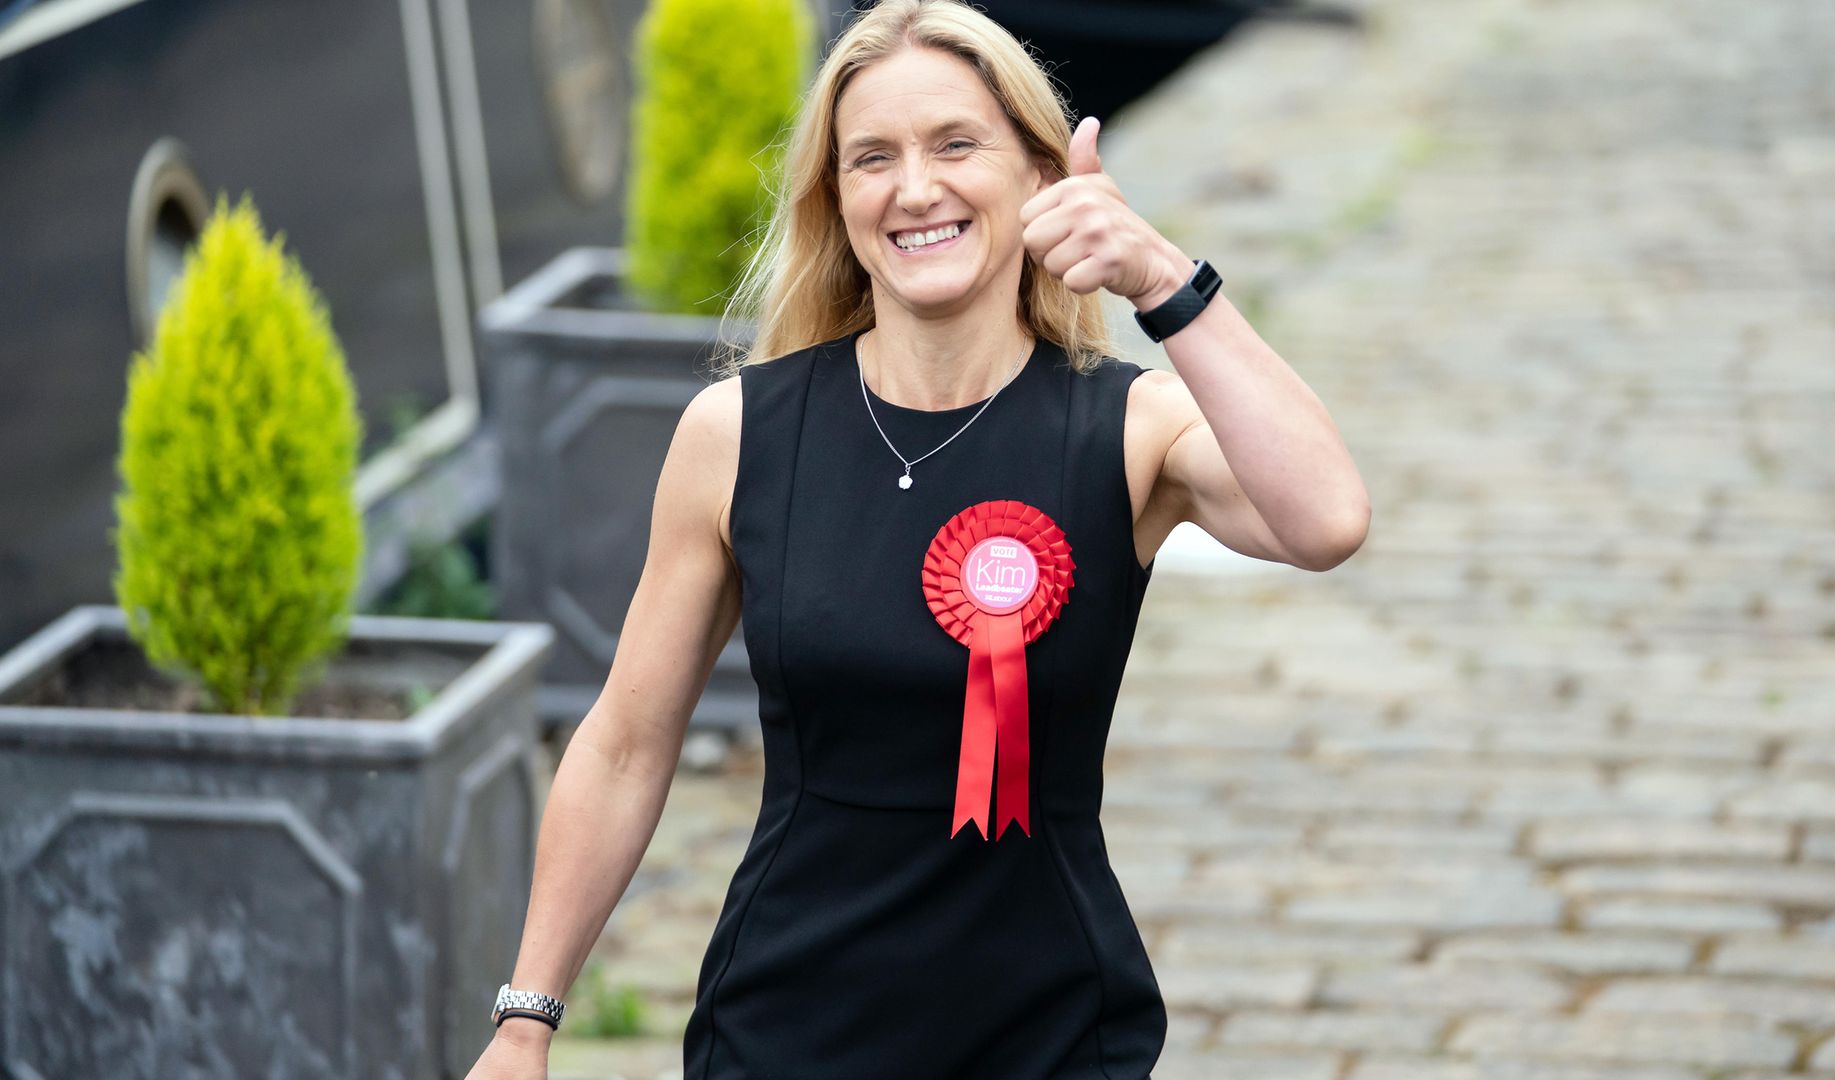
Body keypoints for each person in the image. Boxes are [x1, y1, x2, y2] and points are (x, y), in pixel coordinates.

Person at [464, 1, 1369, 1077]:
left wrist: (1164, 282)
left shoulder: (1126, 428)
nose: (916, 188)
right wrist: (526, 1022)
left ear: (1041, 177)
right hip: (787, 1023)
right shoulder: (739, 433)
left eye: (955, 144)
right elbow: (624, 741)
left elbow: (1325, 520)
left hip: (1048, 1027)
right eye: (872, 158)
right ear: (836, 198)